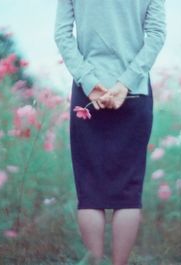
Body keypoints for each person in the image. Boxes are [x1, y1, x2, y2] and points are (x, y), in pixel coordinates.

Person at [54, 0, 166, 264]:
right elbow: (157, 35)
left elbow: (62, 35)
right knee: (127, 194)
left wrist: (90, 83)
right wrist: (125, 83)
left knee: (90, 193)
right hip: (134, 90)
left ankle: (94, 262)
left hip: (87, 95)